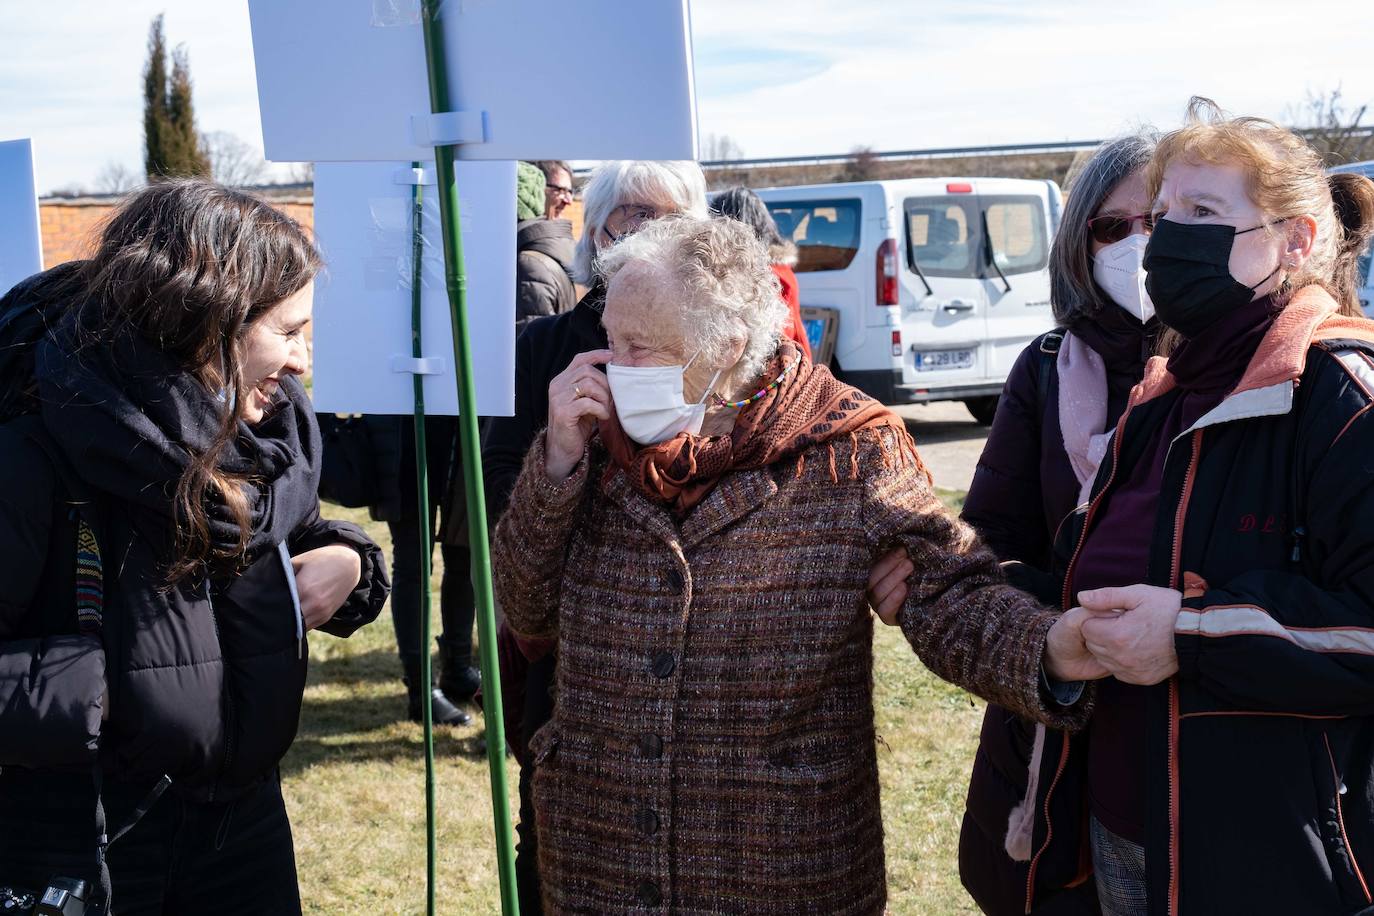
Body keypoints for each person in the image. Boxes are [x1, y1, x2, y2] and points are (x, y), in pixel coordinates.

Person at [491, 214, 1098, 914]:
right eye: (609, 339)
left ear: (726, 348)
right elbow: (524, 604)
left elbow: (948, 589)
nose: (610, 365)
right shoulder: (593, 439)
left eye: (640, 347)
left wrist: (1046, 649)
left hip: (778, 863)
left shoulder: (847, 446)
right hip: (600, 854)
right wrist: (557, 463)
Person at [0, 179, 389, 914]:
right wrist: (89, 688)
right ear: (203, 321)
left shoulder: (254, 435)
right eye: (287, 330)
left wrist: (349, 561)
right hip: (88, 839)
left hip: (243, 826)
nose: (304, 360)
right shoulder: (32, 455)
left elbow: (291, 524)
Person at [1045, 99, 1374, 914]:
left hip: (1279, 860)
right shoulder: (1162, 397)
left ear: (1295, 239)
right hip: (1123, 824)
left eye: (1203, 212)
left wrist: (1189, 634)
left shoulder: (1342, 399)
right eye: (1163, 215)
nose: (1168, 238)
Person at [955, 133, 1160, 916]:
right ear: (1079, 243)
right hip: (1060, 715)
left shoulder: (1234, 366)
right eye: (1113, 227)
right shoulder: (1044, 367)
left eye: (1160, 220)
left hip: (1194, 720)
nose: (1139, 244)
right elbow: (985, 540)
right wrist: (1061, 630)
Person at [709, 186, 813, 359]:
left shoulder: (766, 275)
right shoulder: (781, 270)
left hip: (773, 370)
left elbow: (777, 336)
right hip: (791, 362)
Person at [516, 161, 577, 331]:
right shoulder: (561, 252)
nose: (569, 201)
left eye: (569, 191)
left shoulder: (529, 262)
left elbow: (533, 351)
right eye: (559, 190)